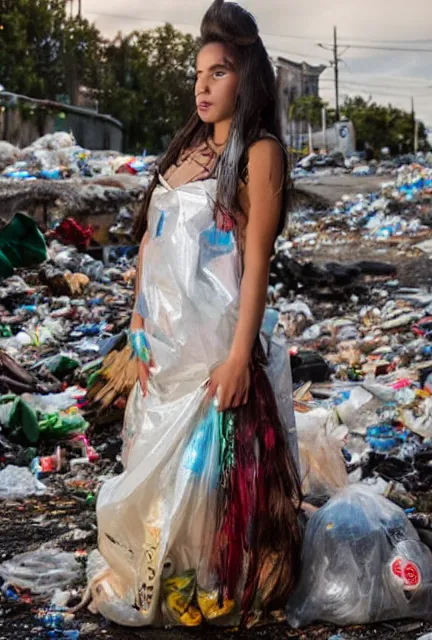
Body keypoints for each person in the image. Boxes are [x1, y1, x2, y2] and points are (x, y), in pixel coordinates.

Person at [87, 0, 302, 629]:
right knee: (154, 475)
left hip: (214, 353)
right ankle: (162, 571)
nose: (203, 85)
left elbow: (256, 261)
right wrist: (135, 325)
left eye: (220, 73)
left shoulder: (257, 154)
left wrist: (238, 358)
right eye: (200, 72)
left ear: (248, 79)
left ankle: (203, 580)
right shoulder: (183, 151)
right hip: (161, 353)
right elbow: (151, 242)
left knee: (208, 485)